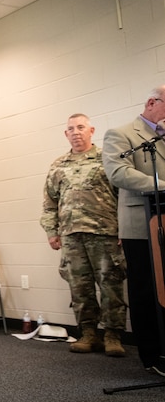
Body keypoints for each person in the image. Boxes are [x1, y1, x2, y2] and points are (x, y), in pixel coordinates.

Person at [40, 113, 127, 356]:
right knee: (80, 288)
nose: (76, 132)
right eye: (71, 128)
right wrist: (51, 231)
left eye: (81, 127)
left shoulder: (107, 160)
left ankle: (113, 335)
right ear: (66, 134)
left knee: (111, 286)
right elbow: (50, 203)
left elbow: (123, 197)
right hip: (71, 236)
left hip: (105, 233)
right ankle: (89, 334)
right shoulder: (58, 165)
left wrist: (124, 229)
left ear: (91, 130)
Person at [102, 85, 165, 377]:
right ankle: (152, 354)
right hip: (141, 226)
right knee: (145, 290)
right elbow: (119, 173)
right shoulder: (122, 134)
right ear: (152, 102)